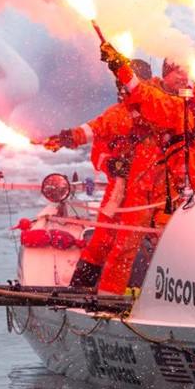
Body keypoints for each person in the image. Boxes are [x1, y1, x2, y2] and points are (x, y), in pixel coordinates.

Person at [96, 43, 195, 294]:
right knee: (139, 246)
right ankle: (110, 298)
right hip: (172, 193)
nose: (184, 77)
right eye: (177, 71)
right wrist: (119, 66)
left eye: (187, 72)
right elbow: (141, 95)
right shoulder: (172, 108)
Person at [40, 59, 153, 288]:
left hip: (156, 192)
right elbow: (97, 152)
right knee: (102, 243)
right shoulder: (115, 116)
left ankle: (137, 293)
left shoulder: (162, 112)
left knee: (137, 244)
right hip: (120, 194)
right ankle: (82, 290)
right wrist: (112, 165)